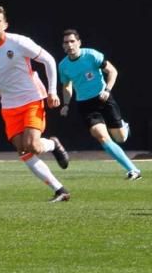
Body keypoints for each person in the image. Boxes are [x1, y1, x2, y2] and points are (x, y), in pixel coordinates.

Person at [0, 4, 71, 202]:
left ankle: (52, 144)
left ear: (5, 24)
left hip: (32, 98)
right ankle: (60, 190)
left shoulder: (18, 42)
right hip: (9, 105)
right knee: (23, 150)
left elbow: (49, 60)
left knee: (33, 145)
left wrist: (52, 91)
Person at [58, 29, 140, 180]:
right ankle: (133, 170)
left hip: (103, 99)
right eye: (66, 42)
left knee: (121, 138)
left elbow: (112, 71)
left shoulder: (91, 55)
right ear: (63, 46)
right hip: (85, 105)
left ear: (79, 43)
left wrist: (107, 90)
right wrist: (66, 104)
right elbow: (67, 85)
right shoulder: (63, 66)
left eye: (72, 41)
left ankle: (124, 126)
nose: (69, 45)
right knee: (101, 136)